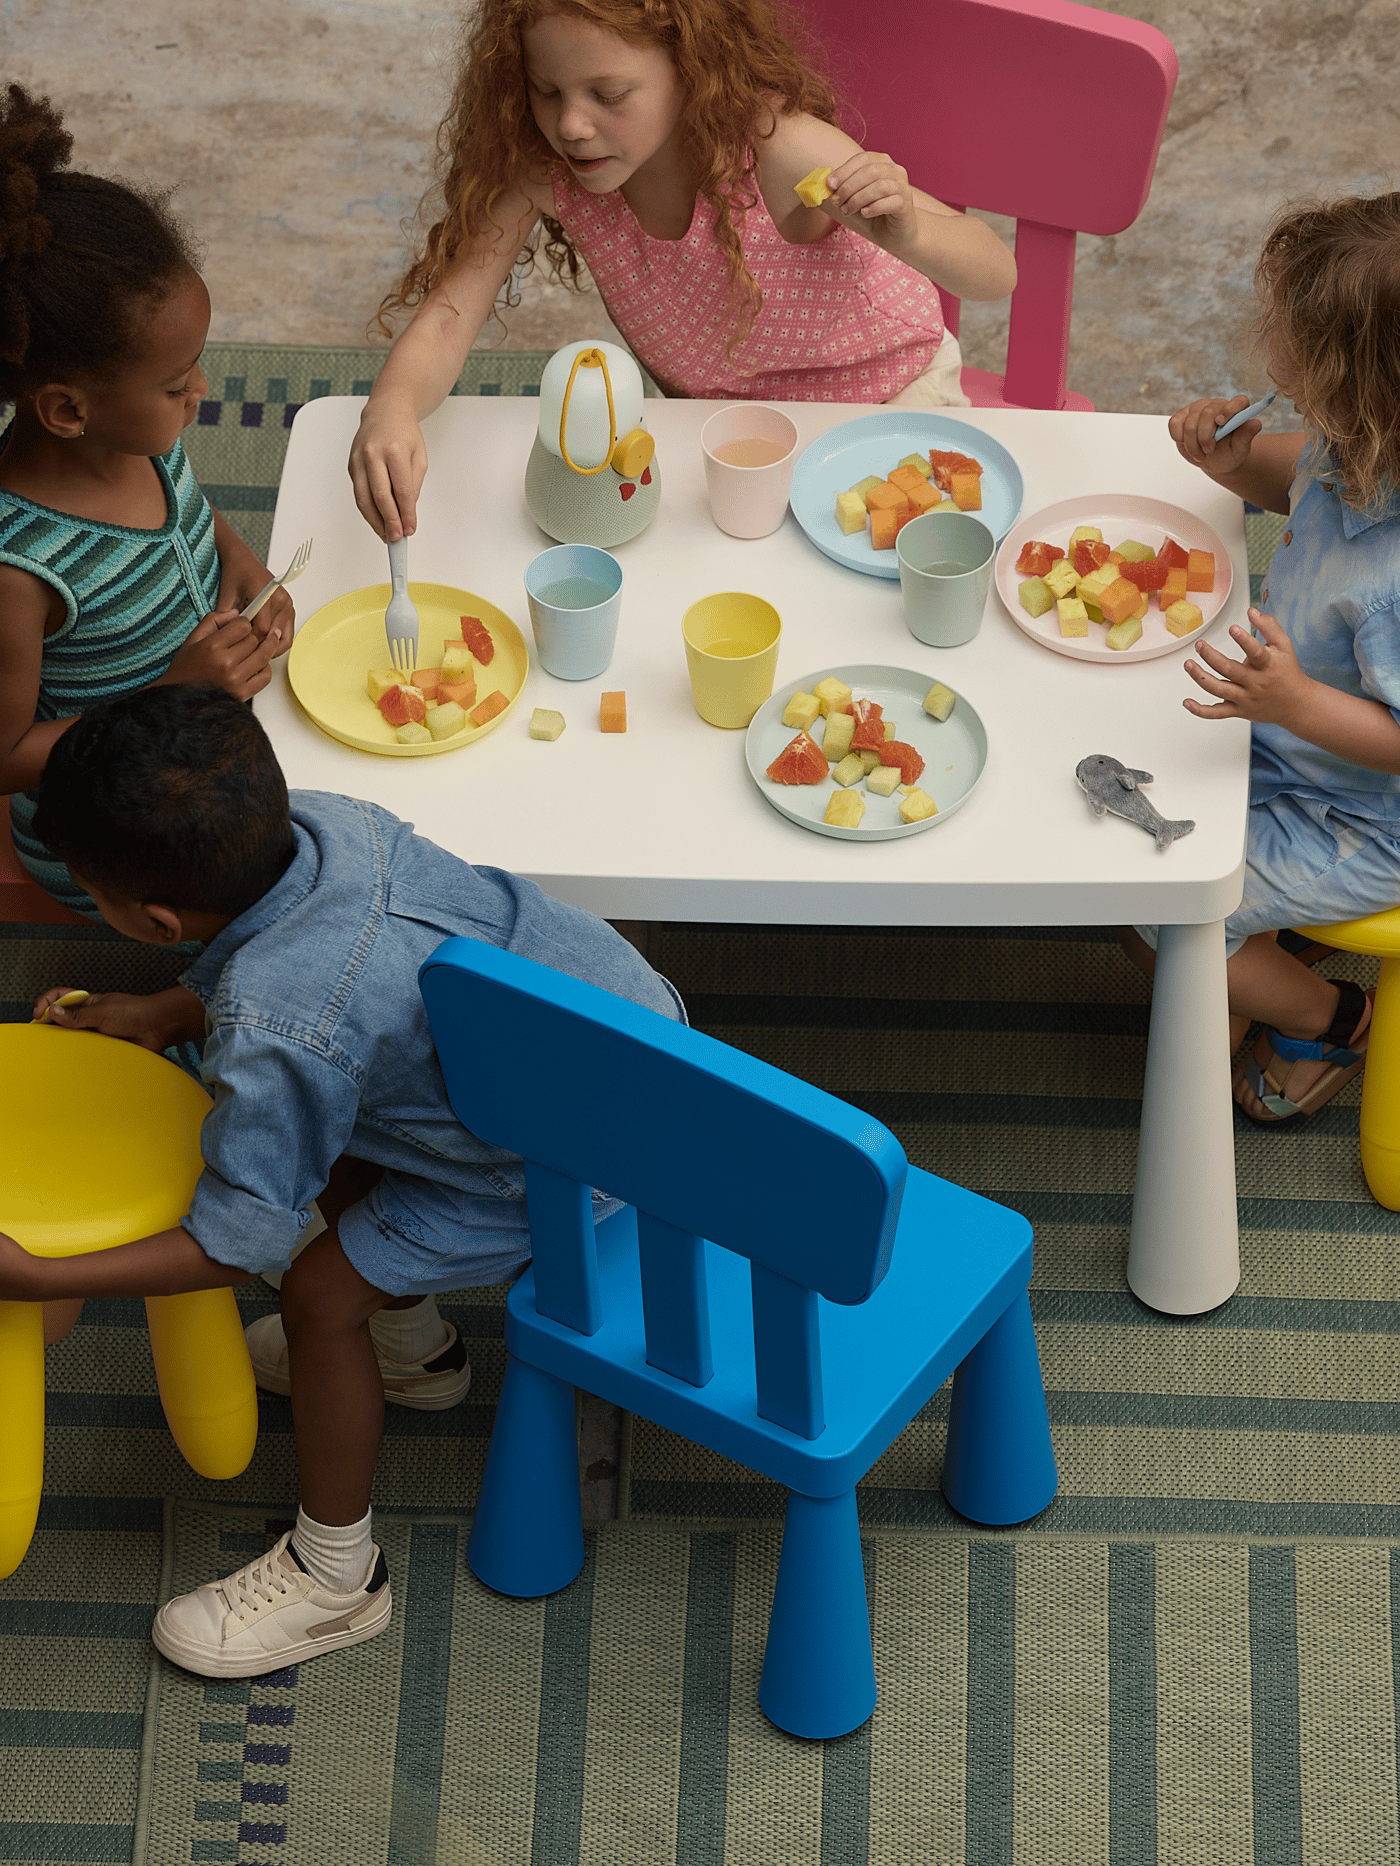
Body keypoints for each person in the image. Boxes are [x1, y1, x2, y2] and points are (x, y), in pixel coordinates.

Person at [0, 683, 685, 1676]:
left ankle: (334, 1576)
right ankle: (414, 1357)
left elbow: (235, 1246)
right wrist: (171, 1011)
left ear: (150, 916)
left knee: (318, 1295)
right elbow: (327, 969)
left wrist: (38, 1277)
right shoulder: (328, 824)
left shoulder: (279, 1029)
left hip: (566, 1166)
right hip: (629, 1039)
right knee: (336, 1113)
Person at [348, 0, 1017, 541]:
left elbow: (995, 274)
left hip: (887, 398)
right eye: (547, 90)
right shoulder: (546, 173)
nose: (572, 124)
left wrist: (910, 230)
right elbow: (446, 319)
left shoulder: (778, 148)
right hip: (724, 428)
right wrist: (391, 408)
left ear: (692, 68)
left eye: (608, 94)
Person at [1125, 191, 1400, 1124]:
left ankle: (1335, 1019)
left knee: (1160, 909)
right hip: (1291, 747)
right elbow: (1298, 477)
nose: (1266, 355)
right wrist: (1232, 463)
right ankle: (1263, 961)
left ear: (1366, 391)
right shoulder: (1358, 447)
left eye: (1293, 350)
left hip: (1366, 815)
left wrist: (1294, 703)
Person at [0, 83, 291, 921]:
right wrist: (173, 691)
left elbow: (191, 518)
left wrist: (244, 569)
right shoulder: (20, 570)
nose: (199, 390)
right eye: (174, 383)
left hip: (204, 733)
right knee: (284, 899)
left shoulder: (138, 434)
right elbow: (7, 753)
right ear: (66, 408)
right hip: (126, 835)